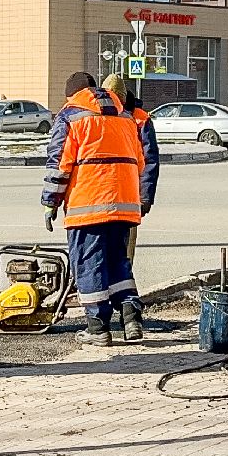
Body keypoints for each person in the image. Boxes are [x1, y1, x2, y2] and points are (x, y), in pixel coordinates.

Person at [42, 72, 148, 346]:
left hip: (88, 205)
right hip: (124, 205)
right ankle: (132, 319)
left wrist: (50, 202)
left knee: (89, 265)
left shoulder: (71, 116)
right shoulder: (125, 117)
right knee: (117, 261)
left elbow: (60, 164)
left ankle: (98, 328)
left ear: (72, 95)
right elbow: (140, 161)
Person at [101, 73, 160, 263]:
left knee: (124, 255)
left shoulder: (139, 119)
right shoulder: (98, 115)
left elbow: (150, 161)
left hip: (130, 198)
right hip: (102, 196)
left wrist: (145, 197)